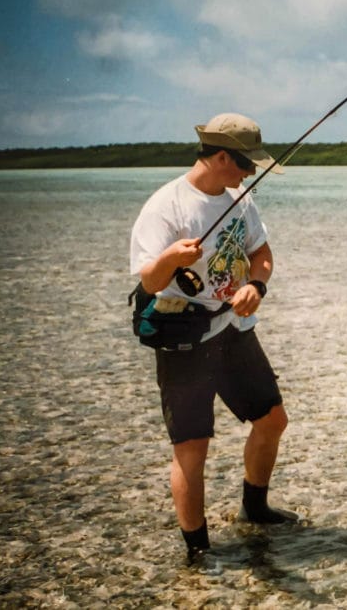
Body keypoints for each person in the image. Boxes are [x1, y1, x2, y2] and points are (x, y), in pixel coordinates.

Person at [129, 112, 296, 563]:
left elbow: (260, 252)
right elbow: (147, 280)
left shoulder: (239, 196)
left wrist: (256, 285)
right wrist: (169, 258)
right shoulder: (166, 206)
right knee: (192, 447)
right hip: (183, 335)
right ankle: (198, 551)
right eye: (245, 164)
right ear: (221, 156)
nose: (250, 173)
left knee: (272, 420)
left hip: (234, 330)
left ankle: (255, 508)